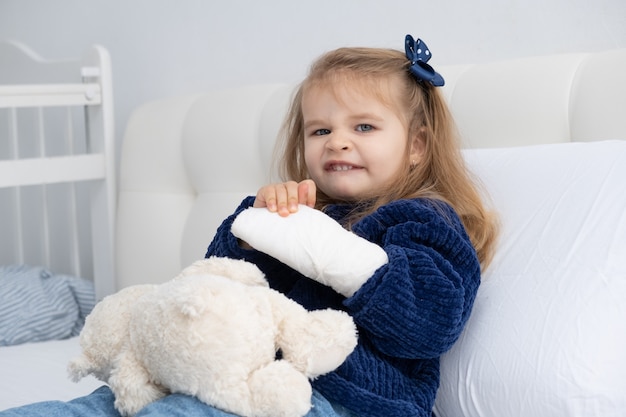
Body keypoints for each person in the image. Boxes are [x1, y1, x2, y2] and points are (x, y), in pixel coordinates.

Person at [1, 34, 498, 417]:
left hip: (344, 399)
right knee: (98, 405)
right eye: (320, 130)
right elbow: (220, 281)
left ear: (416, 145)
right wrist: (252, 228)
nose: (338, 142)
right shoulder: (299, 211)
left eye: (363, 127)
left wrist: (327, 246)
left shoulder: (422, 220)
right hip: (229, 373)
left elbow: (428, 325)